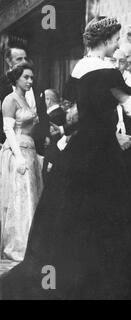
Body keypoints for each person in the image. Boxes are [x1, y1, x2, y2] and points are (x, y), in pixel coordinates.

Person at [0, 16, 131, 300]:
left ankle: (69, 270)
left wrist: (63, 132)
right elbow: (130, 107)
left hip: (82, 146)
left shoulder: (80, 67)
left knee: (71, 212)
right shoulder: (106, 70)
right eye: (116, 40)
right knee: (110, 210)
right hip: (102, 148)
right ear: (107, 40)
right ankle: (104, 277)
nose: (117, 44)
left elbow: (74, 109)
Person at [0, 63, 43, 262]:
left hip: (30, 151)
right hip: (18, 151)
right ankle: (19, 246)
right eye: (26, 77)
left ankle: (33, 243)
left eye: (32, 78)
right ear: (16, 77)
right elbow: (8, 130)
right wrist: (18, 158)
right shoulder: (10, 100)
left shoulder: (26, 100)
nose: (30, 81)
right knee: (20, 199)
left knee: (32, 197)